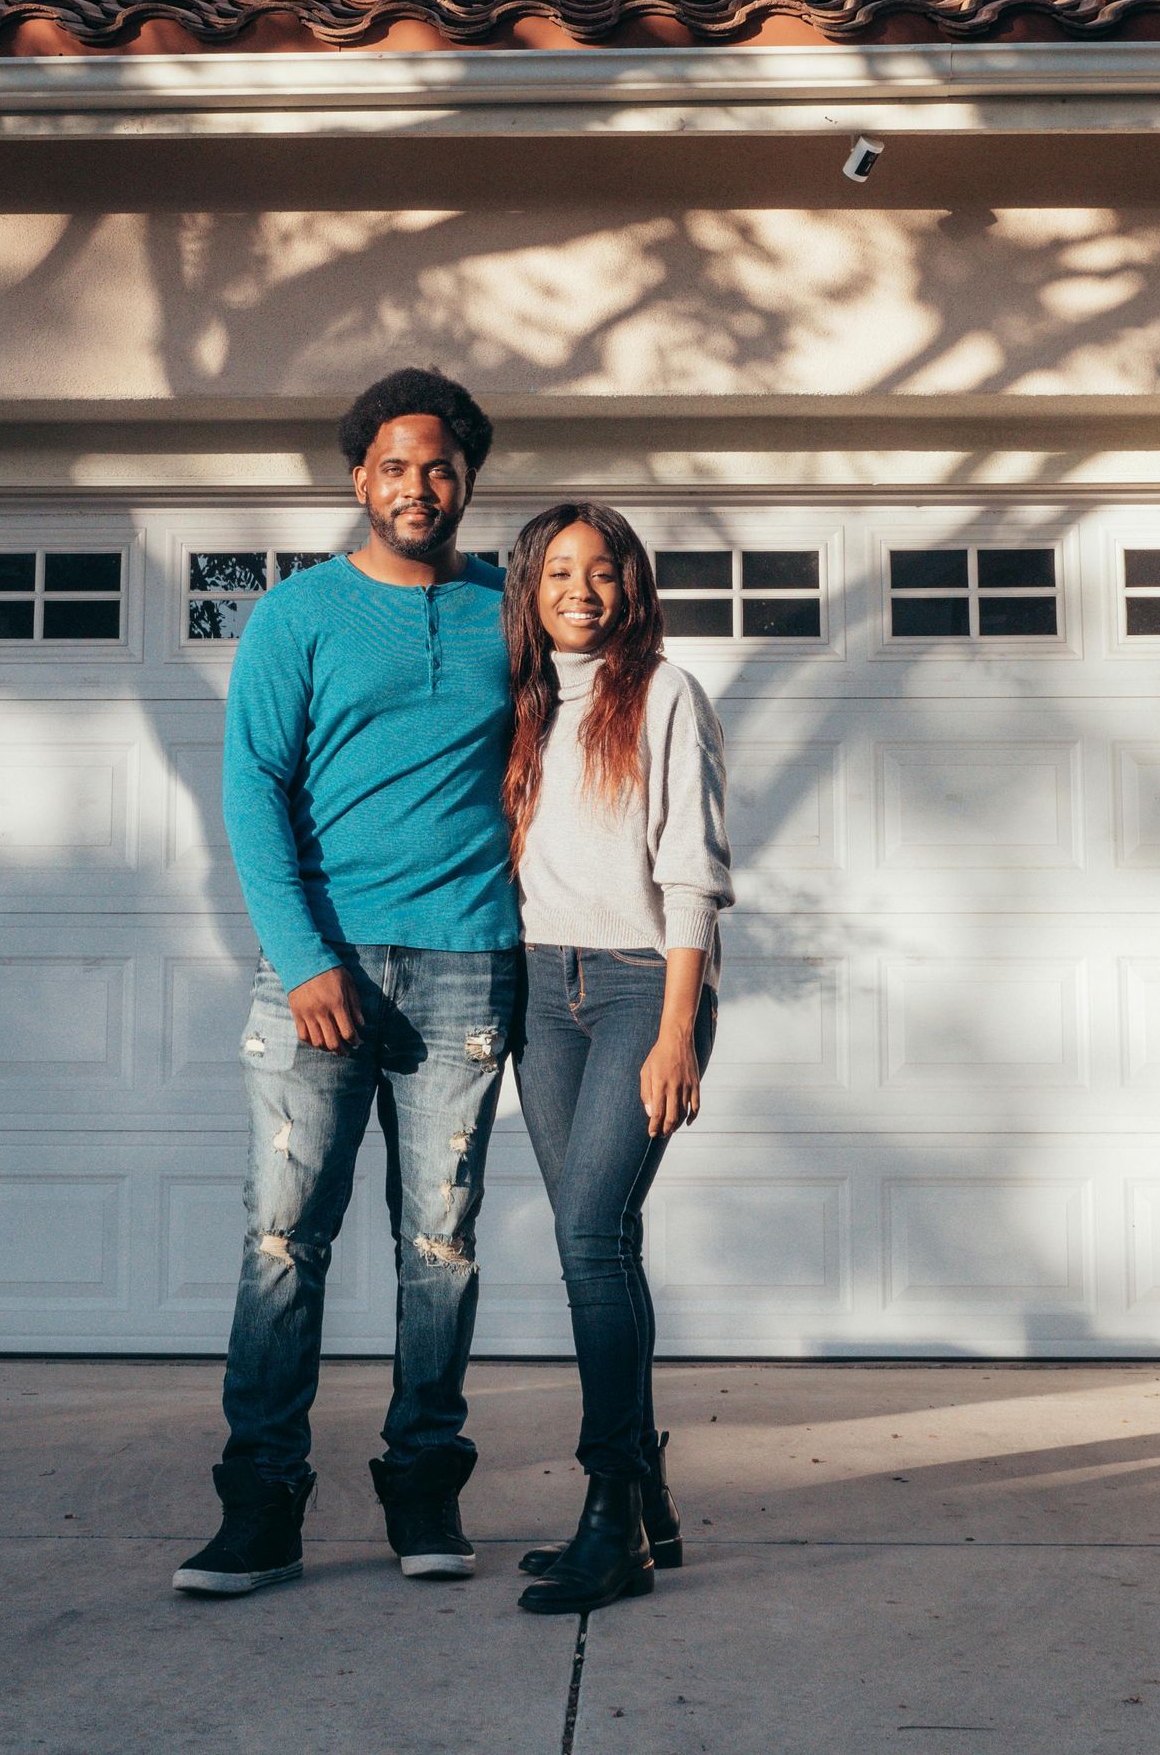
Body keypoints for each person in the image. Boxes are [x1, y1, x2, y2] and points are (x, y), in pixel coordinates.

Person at [173, 367, 519, 1599]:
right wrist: (309, 959)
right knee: (283, 1242)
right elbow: (252, 791)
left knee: (442, 1245)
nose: (416, 486)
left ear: (468, 476)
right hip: (319, 968)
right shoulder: (300, 613)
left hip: (470, 962)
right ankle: (261, 1502)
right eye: (392, 465)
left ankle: (424, 1483)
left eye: (438, 464)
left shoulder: (513, 610)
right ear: (357, 477)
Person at [501, 501, 734, 1616]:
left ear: (631, 585)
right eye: (558, 572)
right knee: (598, 1243)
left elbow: (692, 869)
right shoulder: (525, 703)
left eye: (601, 570)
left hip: (644, 985)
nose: (580, 589)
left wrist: (681, 1026)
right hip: (542, 991)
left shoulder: (666, 693)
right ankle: (649, 1502)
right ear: (530, 588)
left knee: (591, 1239)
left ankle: (613, 1516)